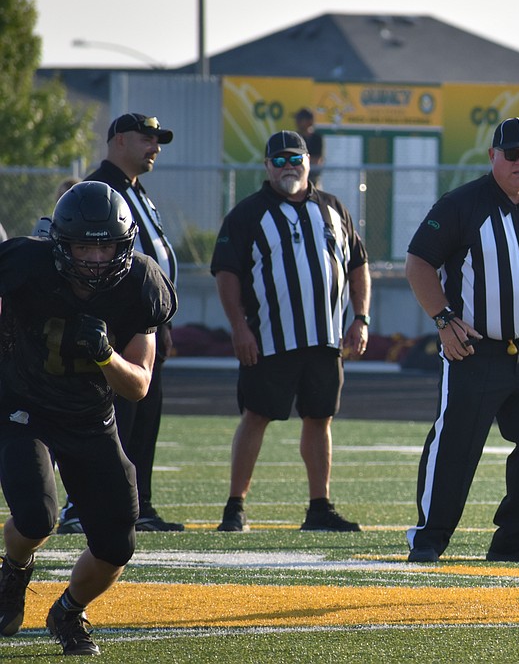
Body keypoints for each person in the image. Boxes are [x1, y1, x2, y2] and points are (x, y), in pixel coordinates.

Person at [0, 181, 176, 655]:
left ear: (125, 246)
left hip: (89, 413)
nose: (95, 259)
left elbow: (138, 384)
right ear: (61, 244)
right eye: (83, 246)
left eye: (105, 247)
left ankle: (68, 610)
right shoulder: (24, 264)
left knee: (117, 543)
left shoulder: (141, 283)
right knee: (37, 517)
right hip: (24, 404)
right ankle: (13, 570)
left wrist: (105, 356)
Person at [403, 117, 519, 563]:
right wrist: (443, 318)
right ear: (492, 155)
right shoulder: (462, 204)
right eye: (512, 154)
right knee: (456, 442)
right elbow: (418, 262)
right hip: (473, 349)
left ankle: (514, 536)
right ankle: (430, 537)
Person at [211, 130, 370, 533]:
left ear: (309, 161)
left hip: (325, 338)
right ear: (267, 167)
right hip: (269, 338)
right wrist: (238, 328)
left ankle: (319, 507)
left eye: (294, 159)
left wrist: (361, 318)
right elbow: (226, 273)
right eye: (278, 161)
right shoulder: (248, 214)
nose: (288, 167)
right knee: (256, 415)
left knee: (320, 418)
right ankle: (235, 506)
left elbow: (358, 265)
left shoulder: (333, 208)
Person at [56, 113, 184, 534]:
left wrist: (160, 319)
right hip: (108, 326)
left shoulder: (136, 191)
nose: (155, 147)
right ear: (119, 141)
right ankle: (81, 504)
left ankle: (137, 504)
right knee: (106, 418)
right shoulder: (98, 191)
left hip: (142, 323)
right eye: (147, 139)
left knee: (143, 418)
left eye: (158, 140)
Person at [294, 108, 326, 187]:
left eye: (301, 119)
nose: (297, 122)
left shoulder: (317, 138)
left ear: (310, 121)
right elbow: (293, 159)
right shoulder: (294, 137)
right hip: (297, 178)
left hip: (313, 179)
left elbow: (317, 160)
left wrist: (301, 160)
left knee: (315, 196)